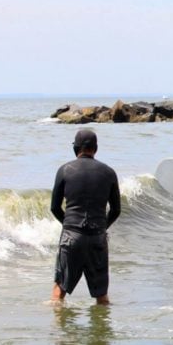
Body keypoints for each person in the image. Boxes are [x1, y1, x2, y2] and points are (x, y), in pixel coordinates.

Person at [50, 129, 121, 304]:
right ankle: (101, 330)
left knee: (59, 291)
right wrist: (102, 227)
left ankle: (59, 330)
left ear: (76, 147)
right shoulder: (109, 172)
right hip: (97, 237)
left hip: (71, 236)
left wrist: (68, 225)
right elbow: (116, 209)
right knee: (101, 296)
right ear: (95, 148)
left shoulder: (65, 170)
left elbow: (54, 207)